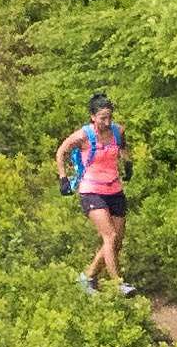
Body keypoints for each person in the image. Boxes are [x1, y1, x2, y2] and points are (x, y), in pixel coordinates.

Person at [54, 92, 131, 296]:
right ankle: (118, 283)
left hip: (114, 189)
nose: (107, 121)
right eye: (102, 117)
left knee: (117, 241)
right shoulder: (83, 135)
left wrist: (128, 163)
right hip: (91, 190)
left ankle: (87, 277)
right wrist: (63, 178)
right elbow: (61, 151)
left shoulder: (117, 131)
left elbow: (123, 148)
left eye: (110, 117)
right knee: (110, 235)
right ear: (93, 117)